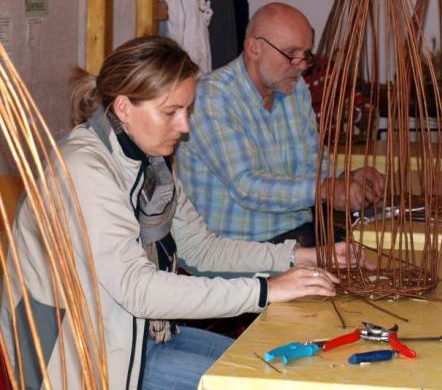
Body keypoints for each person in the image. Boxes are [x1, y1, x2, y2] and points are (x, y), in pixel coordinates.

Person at [0, 36, 368, 390]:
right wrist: (265, 290)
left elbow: (203, 250)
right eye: (171, 112)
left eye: (187, 110)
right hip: (82, 358)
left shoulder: (149, 161)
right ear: (124, 107)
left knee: (273, 369)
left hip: (141, 334)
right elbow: (138, 289)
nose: (185, 126)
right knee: (261, 382)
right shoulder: (84, 170)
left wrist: (301, 256)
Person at [175, 2, 384, 247]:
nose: (302, 66)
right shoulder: (212, 97)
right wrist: (326, 189)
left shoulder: (296, 89)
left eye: (306, 55)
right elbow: (247, 187)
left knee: (381, 259)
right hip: (238, 253)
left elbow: (314, 164)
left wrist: (346, 179)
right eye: (291, 54)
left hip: (298, 238)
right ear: (254, 48)